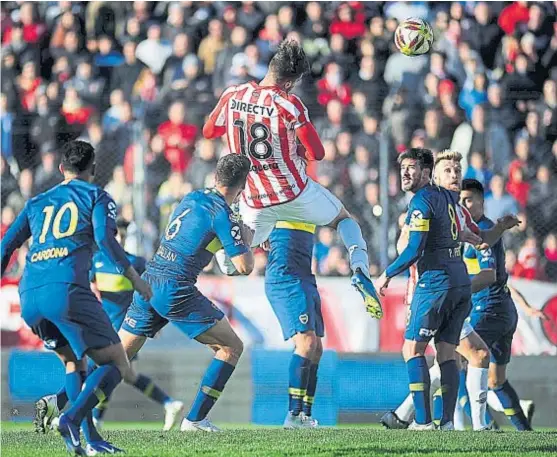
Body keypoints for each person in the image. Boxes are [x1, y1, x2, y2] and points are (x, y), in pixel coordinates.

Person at [0, 140, 182, 455]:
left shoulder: (36, 202)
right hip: (67, 289)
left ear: (61, 169)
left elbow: (6, 247)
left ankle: (91, 440)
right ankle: (70, 418)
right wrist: (135, 278)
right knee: (117, 362)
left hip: (29, 294)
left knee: (73, 362)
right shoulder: (96, 195)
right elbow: (104, 239)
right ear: (94, 169)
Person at [202, 39, 381, 319]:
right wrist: (294, 147)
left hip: (254, 197)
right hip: (294, 193)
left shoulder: (233, 94)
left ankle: (225, 236)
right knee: (345, 220)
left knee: (235, 260)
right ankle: (360, 269)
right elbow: (318, 153)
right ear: (289, 82)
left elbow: (209, 131)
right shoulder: (288, 104)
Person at [118, 154, 255, 432]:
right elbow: (244, 266)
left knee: (117, 357)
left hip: (150, 278)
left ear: (216, 176)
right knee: (231, 348)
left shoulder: (193, 197)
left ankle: (61, 405)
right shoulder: (223, 214)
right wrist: (246, 240)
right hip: (175, 287)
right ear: (243, 186)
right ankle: (196, 420)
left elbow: (195, 237)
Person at [34, 218, 185, 433]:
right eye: (116, 234)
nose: (120, 238)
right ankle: (166, 404)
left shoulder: (136, 263)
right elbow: (90, 292)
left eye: (123, 234)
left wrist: (155, 322)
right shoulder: (96, 261)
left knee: (104, 371)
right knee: (119, 373)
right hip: (101, 326)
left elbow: (149, 295)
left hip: (124, 329)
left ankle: (62, 406)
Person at [375, 148, 474, 430]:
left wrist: (387, 273)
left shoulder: (422, 201)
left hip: (435, 284)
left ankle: (422, 422)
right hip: (460, 281)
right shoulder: (446, 197)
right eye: (403, 167)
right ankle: (447, 424)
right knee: (447, 354)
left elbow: (415, 248)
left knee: (413, 350)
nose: (405, 172)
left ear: (427, 173)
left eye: (412, 167)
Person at [460, 178, 541, 431]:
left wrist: (457, 291)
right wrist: (524, 305)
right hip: (503, 309)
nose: (464, 205)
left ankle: (485, 427)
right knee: (496, 381)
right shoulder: (474, 231)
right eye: (460, 201)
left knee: (458, 361)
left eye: (469, 200)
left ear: (482, 202)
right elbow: (503, 279)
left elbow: (489, 275)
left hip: (488, 310)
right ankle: (524, 432)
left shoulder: (483, 231)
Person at [264, 221, 322, 429]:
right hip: (286, 277)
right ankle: (293, 415)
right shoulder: (277, 197)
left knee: (316, 349)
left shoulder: (310, 198)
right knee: (306, 343)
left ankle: (305, 416)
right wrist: (260, 230)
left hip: (305, 276)